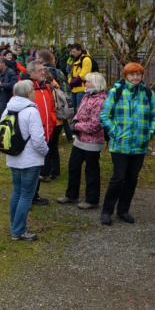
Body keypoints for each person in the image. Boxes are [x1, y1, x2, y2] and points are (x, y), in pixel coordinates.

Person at [99, 62, 155, 225]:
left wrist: (149, 133)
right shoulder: (116, 92)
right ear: (126, 76)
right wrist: (115, 133)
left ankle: (123, 210)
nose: (135, 77)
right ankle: (107, 211)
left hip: (139, 146)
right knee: (118, 178)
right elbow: (105, 116)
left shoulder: (148, 94)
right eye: (132, 74)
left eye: (138, 74)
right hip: (120, 145)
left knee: (132, 179)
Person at [2, 81, 50, 241]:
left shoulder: (8, 108)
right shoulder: (31, 111)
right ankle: (18, 230)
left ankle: (14, 225)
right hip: (30, 159)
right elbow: (38, 139)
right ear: (29, 93)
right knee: (26, 195)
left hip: (13, 157)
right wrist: (45, 152)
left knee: (17, 192)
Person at [57, 72, 108, 208]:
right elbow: (79, 113)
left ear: (96, 83)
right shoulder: (87, 96)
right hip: (80, 139)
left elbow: (95, 124)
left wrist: (77, 126)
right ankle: (71, 195)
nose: (86, 84)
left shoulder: (100, 101)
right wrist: (74, 122)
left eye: (89, 82)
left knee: (91, 170)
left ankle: (92, 200)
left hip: (92, 142)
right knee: (73, 166)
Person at [27, 62, 57, 189]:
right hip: (31, 135)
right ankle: (30, 196)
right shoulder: (26, 89)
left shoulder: (47, 88)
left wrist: (52, 123)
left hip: (46, 134)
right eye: (39, 70)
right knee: (31, 169)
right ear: (31, 73)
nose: (43, 72)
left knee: (40, 165)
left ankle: (35, 194)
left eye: (43, 70)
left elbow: (51, 109)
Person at [68, 43, 93, 114]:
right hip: (74, 89)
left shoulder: (86, 60)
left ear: (79, 50)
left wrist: (72, 82)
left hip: (82, 89)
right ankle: (74, 123)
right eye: (72, 52)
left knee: (81, 109)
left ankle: (80, 123)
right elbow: (72, 73)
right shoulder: (76, 59)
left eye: (74, 52)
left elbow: (84, 75)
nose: (73, 54)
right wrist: (70, 81)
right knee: (72, 109)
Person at [0, 56, 18, 123]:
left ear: (3, 64)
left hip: (7, 98)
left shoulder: (11, 72)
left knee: (6, 118)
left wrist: (2, 84)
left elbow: (14, 84)